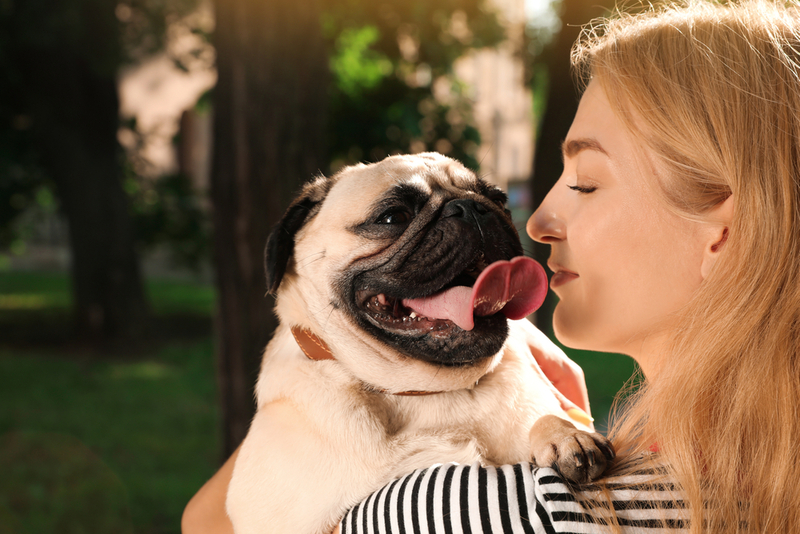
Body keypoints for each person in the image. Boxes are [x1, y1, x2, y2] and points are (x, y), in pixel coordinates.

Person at [183, 1, 800, 532]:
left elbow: (207, 522)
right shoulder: (739, 477)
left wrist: (316, 363)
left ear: (721, 233)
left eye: (586, 184)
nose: (535, 223)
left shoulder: (467, 509)